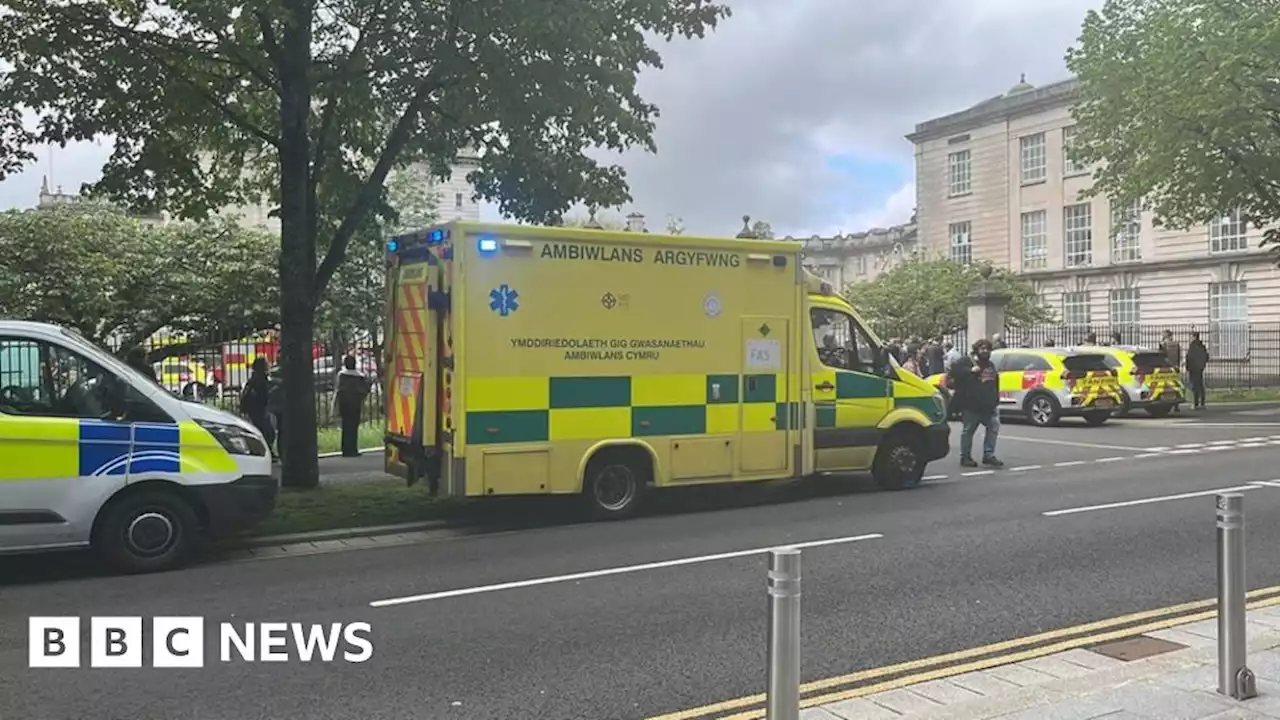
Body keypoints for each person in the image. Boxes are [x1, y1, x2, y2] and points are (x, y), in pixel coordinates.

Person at [948, 338, 1002, 468]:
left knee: (993, 427)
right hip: (971, 405)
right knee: (968, 431)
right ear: (976, 349)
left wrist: (995, 399)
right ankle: (965, 457)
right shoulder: (967, 362)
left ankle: (988, 455)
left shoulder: (990, 365)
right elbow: (954, 371)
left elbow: (994, 382)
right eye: (982, 348)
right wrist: (970, 371)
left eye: (987, 349)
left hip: (988, 406)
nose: (985, 351)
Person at [334, 356, 370, 457]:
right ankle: (353, 449)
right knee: (353, 427)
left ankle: (345, 449)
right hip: (355, 404)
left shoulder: (341, 375)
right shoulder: (360, 376)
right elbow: (365, 389)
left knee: (345, 427)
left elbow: (338, 390)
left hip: (344, 404)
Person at [240, 358, 275, 456]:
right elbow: (263, 395)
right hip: (259, 409)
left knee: (263, 431)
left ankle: (262, 450)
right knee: (267, 432)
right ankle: (266, 451)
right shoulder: (260, 379)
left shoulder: (253, 379)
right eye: (266, 364)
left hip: (254, 409)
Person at [1160, 330, 1183, 413]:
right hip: (1175, 367)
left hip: (1166, 368)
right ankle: (1176, 405)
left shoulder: (1163, 344)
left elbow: (1161, 356)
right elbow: (1179, 356)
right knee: (1176, 385)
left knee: (1165, 386)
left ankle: (1164, 403)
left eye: (1163, 334)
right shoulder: (1176, 344)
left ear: (1165, 335)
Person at [1186, 331, 1209, 409]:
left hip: (1193, 368)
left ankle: (1195, 403)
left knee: (1194, 386)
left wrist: (1188, 367)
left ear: (1194, 337)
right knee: (1200, 385)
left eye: (1191, 336)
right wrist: (1202, 365)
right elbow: (1206, 356)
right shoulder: (1202, 346)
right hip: (1200, 368)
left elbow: (1189, 358)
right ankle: (1202, 403)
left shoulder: (1192, 346)